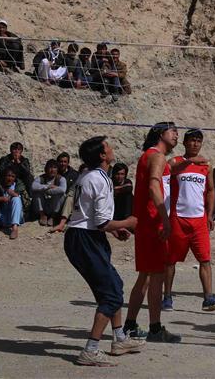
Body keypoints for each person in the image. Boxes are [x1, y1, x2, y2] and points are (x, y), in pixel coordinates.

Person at [64, 136, 143, 366]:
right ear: (101, 155)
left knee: (113, 285)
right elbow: (101, 222)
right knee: (111, 293)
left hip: (86, 237)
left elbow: (95, 219)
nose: (111, 147)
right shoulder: (100, 179)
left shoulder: (88, 176)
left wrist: (113, 229)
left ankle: (119, 338)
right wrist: (127, 222)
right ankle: (91, 349)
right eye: (107, 146)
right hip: (85, 239)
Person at [122, 123, 183, 343]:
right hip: (153, 223)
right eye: (172, 130)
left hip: (146, 223)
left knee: (146, 276)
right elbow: (153, 187)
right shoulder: (156, 157)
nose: (177, 134)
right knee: (156, 277)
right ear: (160, 134)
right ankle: (155, 328)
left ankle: (129, 325)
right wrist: (165, 219)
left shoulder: (149, 156)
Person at [162, 129, 215, 312]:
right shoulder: (176, 161)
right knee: (170, 260)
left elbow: (211, 190)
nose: (195, 144)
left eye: (198, 141)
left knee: (205, 259)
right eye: (191, 140)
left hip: (199, 221)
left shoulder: (206, 165)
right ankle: (167, 297)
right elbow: (167, 168)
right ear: (185, 142)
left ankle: (208, 298)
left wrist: (210, 214)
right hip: (178, 219)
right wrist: (190, 161)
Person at [31, 159, 67, 226]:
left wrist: (47, 191)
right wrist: (48, 186)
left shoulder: (61, 178)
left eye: (54, 167)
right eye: (50, 167)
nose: (52, 170)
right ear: (46, 169)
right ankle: (42, 215)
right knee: (36, 192)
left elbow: (62, 189)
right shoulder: (41, 178)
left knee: (62, 195)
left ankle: (53, 217)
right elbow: (33, 186)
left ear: (57, 169)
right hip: (43, 205)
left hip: (53, 206)